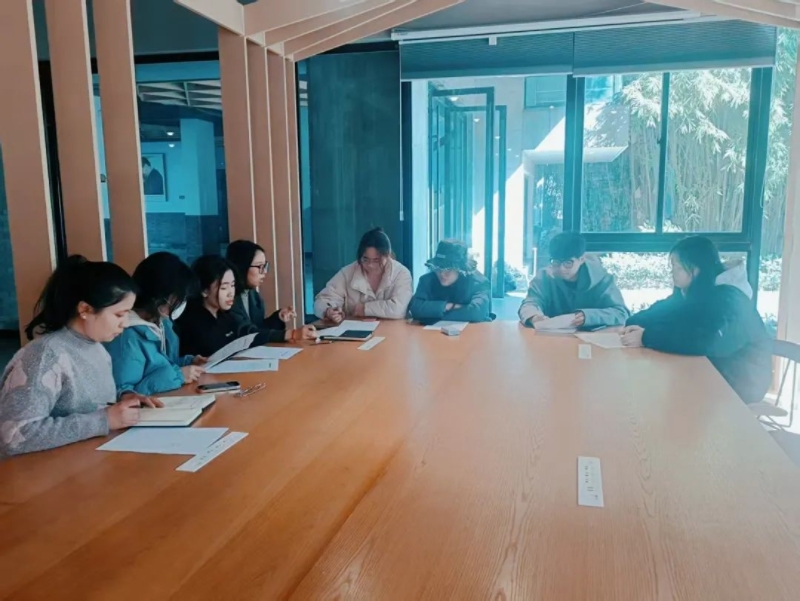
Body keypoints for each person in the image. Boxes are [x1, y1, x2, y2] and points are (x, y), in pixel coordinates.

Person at [0, 256, 161, 457]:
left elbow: (89, 401)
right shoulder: (45, 355)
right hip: (43, 470)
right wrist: (103, 420)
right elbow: (14, 436)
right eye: (119, 314)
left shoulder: (98, 349)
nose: (125, 323)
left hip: (87, 459)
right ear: (85, 309)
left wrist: (124, 397)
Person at [621, 236, 772, 405]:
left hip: (741, 382)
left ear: (696, 269)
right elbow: (666, 312)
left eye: (678, 267)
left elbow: (705, 340)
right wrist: (636, 323)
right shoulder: (693, 291)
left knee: (661, 394)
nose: (672, 272)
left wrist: (647, 337)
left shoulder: (729, 298)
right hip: (709, 371)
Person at [105, 252, 206, 396]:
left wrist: (190, 362)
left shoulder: (162, 322)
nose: (182, 302)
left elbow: (164, 364)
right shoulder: (125, 336)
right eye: (179, 296)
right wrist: (178, 375)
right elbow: (125, 394)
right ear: (160, 295)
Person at [175, 255, 316, 357]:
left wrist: (291, 333)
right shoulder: (190, 322)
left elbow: (248, 335)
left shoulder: (225, 315)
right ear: (204, 290)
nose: (231, 293)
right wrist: (292, 334)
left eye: (232, 285)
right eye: (224, 287)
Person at [518, 232, 629, 329]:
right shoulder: (544, 277)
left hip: (592, 340)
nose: (561, 268)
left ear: (581, 259)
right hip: (551, 339)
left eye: (568, 263)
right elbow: (530, 303)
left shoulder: (602, 280)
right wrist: (534, 316)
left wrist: (588, 316)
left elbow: (621, 313)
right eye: (556, 262)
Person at [314, 228, 413, 322]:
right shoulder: (348, 272)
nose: (370, 265)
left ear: (388, 255)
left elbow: (399, 309)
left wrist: (364, 309)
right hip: (355, 329)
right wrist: (329, 311)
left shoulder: (401, 273)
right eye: (365, 259)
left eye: (376, 260)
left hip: (394, 330)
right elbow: (323, 300)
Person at [408, 239, 493, 324]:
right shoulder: (426, 280)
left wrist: (432, 313)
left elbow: (477, 313)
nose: (442, 274)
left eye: (448, 269)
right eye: (438, 268)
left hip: (474, 331)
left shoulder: (479, 283)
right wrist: (448, 306)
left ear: (460, 269)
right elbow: (415, 309)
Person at [225, 240, 294, 332]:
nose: (264, 271)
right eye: (259, 266)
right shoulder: (228, 299)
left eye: (265, 266)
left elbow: (259, 328)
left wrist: (278, 318)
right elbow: (247, 333)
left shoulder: (254, 296)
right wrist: (291, 334)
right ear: (242, 266)